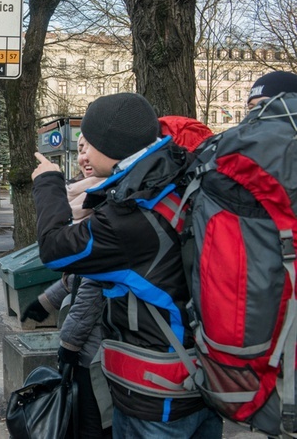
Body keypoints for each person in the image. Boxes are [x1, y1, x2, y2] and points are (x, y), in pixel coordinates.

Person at [31, 93, 223, 438]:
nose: (83, 151)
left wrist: (48, 183)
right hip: (208, 379)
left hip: (156, 397)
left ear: (110, 145)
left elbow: (55, 250)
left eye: (89, 143)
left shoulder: (128, 215)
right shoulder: (179, 175)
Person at [21, 134, 111, 438]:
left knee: (91, 423)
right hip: (97, 343)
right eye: (81, 148)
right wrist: (47, 300)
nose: (84, 156)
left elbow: (92, 285)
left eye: (92, 147)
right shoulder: (85, 196)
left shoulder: (105, 201)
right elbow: (80, 273)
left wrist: (68, 345)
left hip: (98, 349)